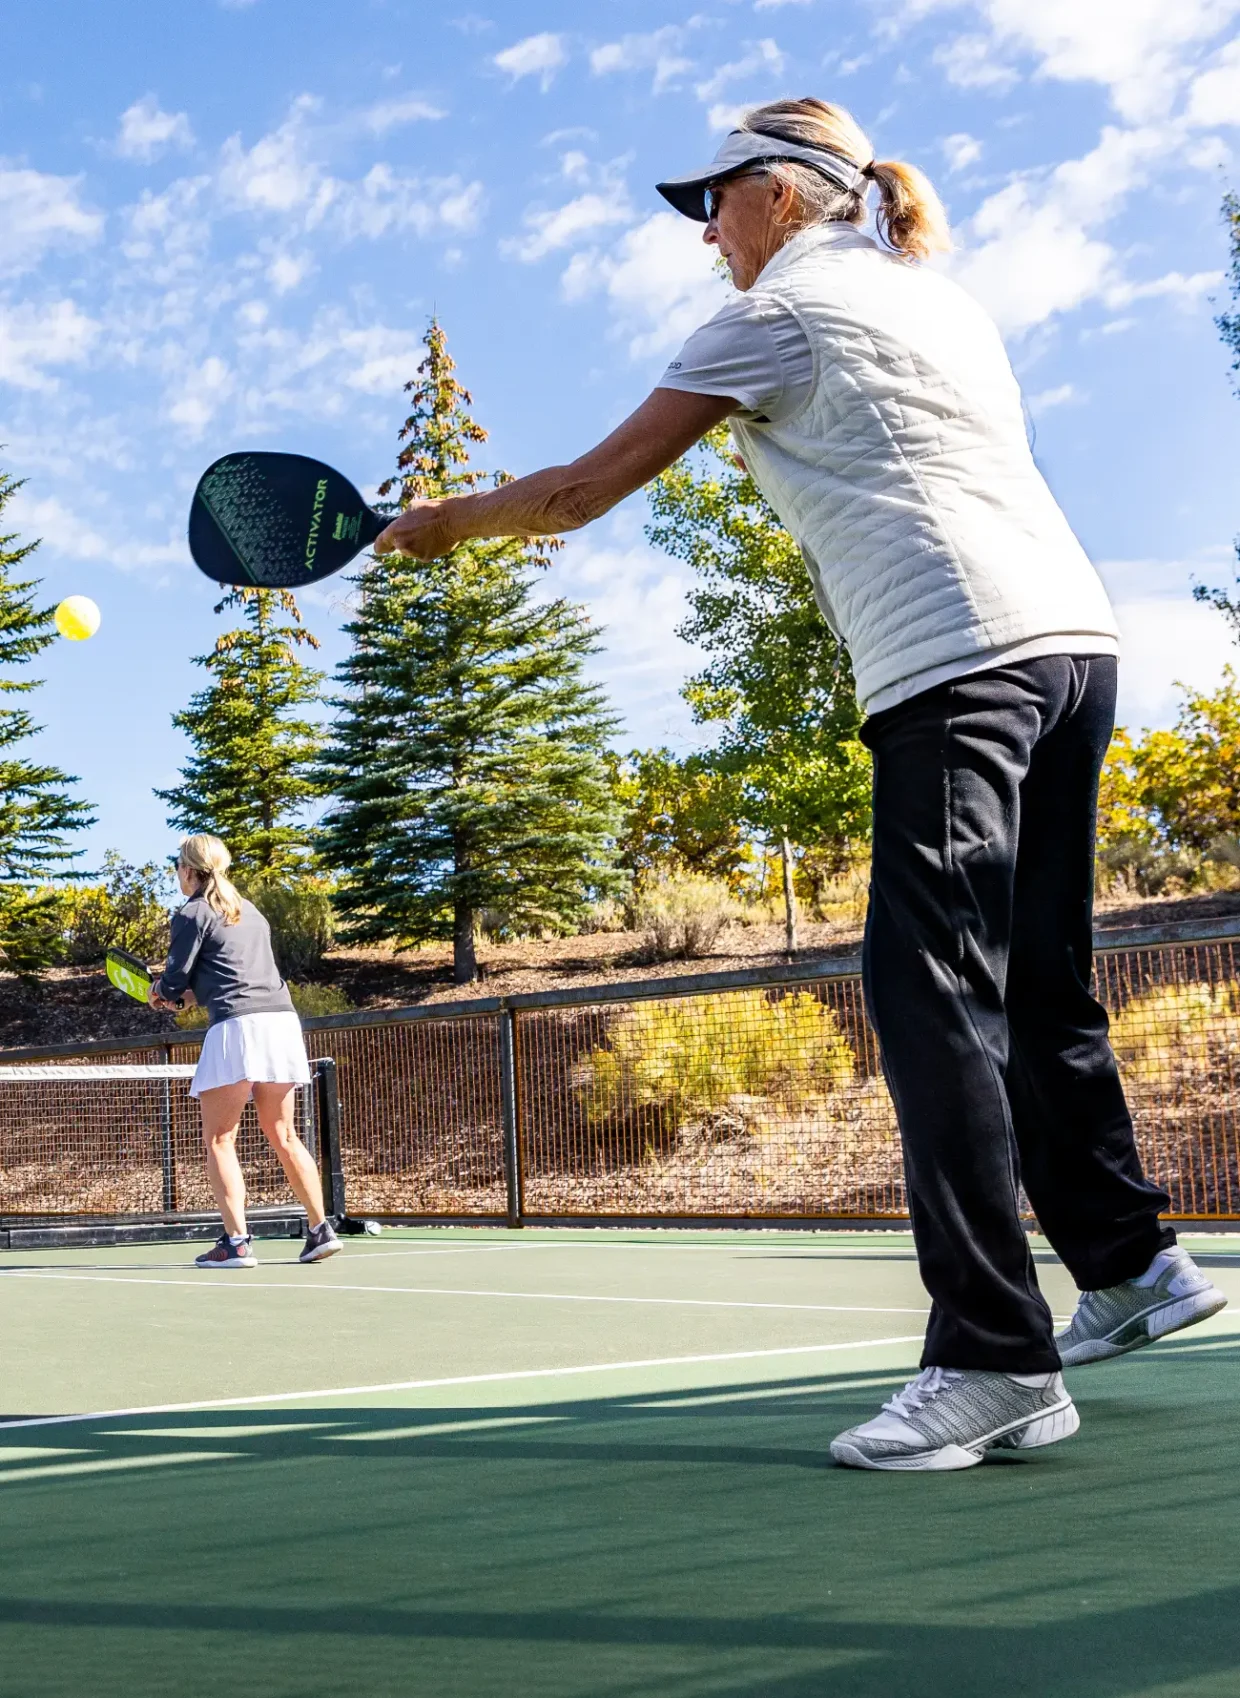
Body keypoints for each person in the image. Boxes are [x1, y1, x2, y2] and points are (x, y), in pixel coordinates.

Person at [373, 97, 1229, 1468]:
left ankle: (995, 1357)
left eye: (712, 202)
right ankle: (1131, 1266)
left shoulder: (773, 319)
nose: (705, 234)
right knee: (1039, 974)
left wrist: (445, 524)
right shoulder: (937, 300)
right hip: (1077, 649)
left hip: (955, 658)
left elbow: (585, 489)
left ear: (780, 191)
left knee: (929, 988)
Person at [150, 833, 341, 1268]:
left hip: (237, 1030)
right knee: (284, 1133)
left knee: (219, 1139)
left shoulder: (192, 912)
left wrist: (160, 991)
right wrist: (178, 996)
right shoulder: (249, 912)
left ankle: (236, 1243)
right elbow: (222, 979)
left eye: (178, 866)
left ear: (189, 870)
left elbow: (176, 982)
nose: (177, 874)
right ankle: (319, 1230)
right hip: (281, 1024)